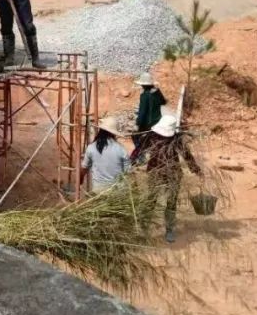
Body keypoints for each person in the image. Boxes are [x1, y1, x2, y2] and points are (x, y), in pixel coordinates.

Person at [140, 114, 201, 243]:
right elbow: (139, 150)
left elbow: (187, 155)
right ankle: (144, 227)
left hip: (173, 173)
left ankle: (169, 229)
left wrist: (196, 170)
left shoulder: (176, 139)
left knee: (171, 202)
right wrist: (130, 162)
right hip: (155, 172)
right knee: (152, 199)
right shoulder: (151, 136)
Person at [79, 116, 131, 194]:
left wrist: (81, 179)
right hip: (117, 192)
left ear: (101, 131)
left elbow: (84, 168)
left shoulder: (91, 148)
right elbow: (128, 172)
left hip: (99, 191)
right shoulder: (121, 149)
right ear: (113, 133)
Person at [130, 72, 166, 162]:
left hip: (148, 124)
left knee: (135, 136)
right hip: (158, 122)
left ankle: (141, 156)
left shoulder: (144, 96)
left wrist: (138, 124)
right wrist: (157, 90)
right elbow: (164, 102)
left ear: (143, 85)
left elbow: (142, 112)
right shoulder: (156, 93)